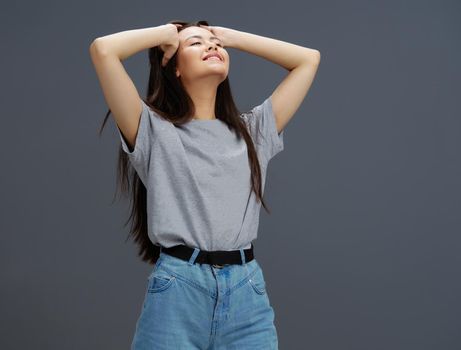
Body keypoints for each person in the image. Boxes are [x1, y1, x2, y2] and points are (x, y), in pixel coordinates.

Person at [89, 20, 320, 349]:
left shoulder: (253, 131)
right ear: (175, 68)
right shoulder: (153, 130)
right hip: (179, 289)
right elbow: (103, 50)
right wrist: (167, 34)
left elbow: (308, 59)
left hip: (247, 292)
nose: (213, 46)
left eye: (216, 44)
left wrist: (231, 37)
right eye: (196, 44)